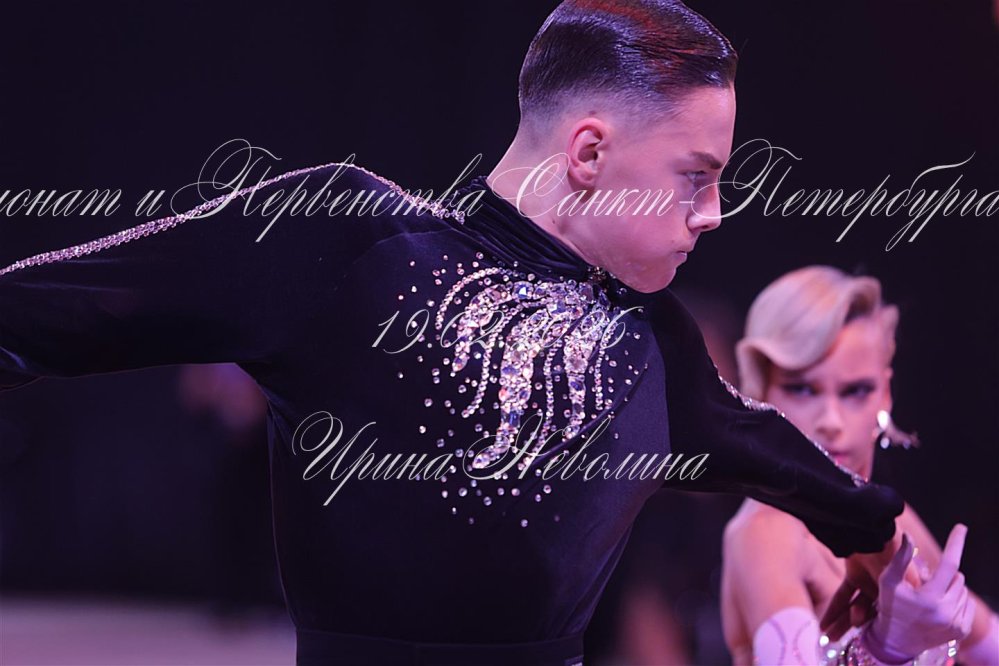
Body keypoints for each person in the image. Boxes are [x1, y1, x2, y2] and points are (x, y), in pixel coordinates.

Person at [0, 2, 966, 664]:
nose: (713, 214)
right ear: (589, 152)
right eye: (696, 175)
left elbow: (770, 453)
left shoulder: (650, 339)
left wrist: (875, 539)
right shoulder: (342, 237)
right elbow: (47, 307)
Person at [721, 266, 998, 665]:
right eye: (802, 389)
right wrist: (886, 649)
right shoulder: (765, 532)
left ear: (885, 394)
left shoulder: (895, 526)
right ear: (760, 391)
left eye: (856, 391)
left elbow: (987, 641)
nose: (831, 421)